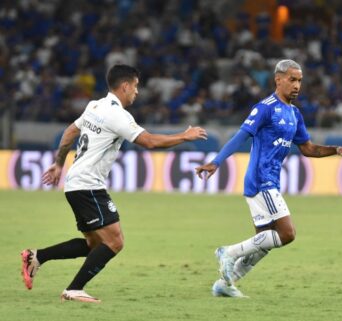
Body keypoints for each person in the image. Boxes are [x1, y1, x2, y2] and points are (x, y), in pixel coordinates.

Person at [21, 64, 208, 303]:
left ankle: (36, 257)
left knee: (94, 244)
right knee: (115, 242)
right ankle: (74, 289)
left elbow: (69, 132)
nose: (137, 93)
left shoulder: (94, 106)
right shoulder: (117, 115)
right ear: (125, 86)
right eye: (136, 87)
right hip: (88, 185)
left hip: (76, 183)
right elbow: (149, 141)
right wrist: (184, 135)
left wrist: (59, 164)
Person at [195, 59, 342, 298]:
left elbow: (308, 148)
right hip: (262, 180)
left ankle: (226, 284)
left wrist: (335, 149)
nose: (297, 85)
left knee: (264, 243)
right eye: (292, 79)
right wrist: (216, 161)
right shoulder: (265, 108)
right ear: (278, 80)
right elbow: (241, 136)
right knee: (287, 234)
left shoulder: (294, 113)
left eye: (300, 80)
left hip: (270, 180)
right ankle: (227, 252)